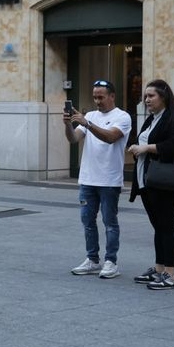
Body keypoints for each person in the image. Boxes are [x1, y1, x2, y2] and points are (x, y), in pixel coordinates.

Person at [64, 79, 132, 279]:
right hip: (87, 179)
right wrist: (68, 125)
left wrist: (87, 123)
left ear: (112, 96)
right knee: (87, 221)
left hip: (109, 180)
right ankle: (92, 259)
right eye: (95, 97)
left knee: (110, 221)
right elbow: (74, 139)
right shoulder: (90, 115)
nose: (97, 101)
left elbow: (110, 137)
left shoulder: (123, 117)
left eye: (101, 97)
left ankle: (111, 261)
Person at [128, 79, 174, 290]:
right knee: (158, 227)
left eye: (151, 96)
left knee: (168, 227)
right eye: (145, 96)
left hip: (164, 181)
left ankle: (170, 275)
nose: (146, 100)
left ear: (163, 97)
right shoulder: (152, 119)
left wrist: (146, 148)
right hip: (147, 180)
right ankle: (159, 269)